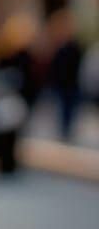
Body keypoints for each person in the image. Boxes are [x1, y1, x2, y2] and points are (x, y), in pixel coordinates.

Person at [44, 8, 83, 141]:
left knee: (70, 109)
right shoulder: (58, 46)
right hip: (62, 84)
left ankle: (67, 131)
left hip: (71, 83)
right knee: (63, 108)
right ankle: (64, 131)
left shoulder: (74, 45)